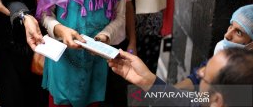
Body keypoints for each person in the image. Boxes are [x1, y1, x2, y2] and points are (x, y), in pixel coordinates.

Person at [108, 48, 253, 107]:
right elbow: (188, 102)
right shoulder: (208, 101)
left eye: (204, 75)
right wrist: (147, 81)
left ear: (217, 101)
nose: (199, 72)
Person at [175, 4, 253, 91]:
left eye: (238, 32)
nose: (227, 35)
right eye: (231, 26)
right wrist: (169, 93)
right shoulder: (223, 54)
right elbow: (196, 78)